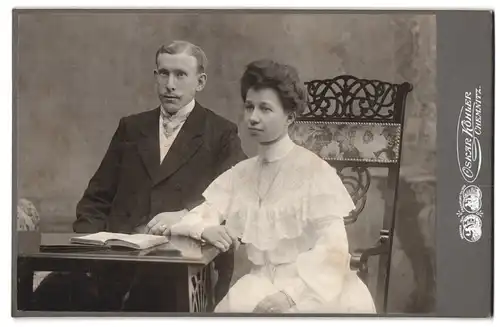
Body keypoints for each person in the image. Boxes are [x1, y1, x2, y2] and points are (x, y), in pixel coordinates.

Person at [32, 40, 246, 311]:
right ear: (155, 77)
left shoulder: (221, 133)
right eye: (164, 73)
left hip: (182, 264)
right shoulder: (131, 128)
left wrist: (185, 214)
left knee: (150, 300)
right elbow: (96, 198)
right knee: (50, 293)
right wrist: (91, 249)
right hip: (116, 260)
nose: (170, 84)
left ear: (200, 82)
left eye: (181, 75)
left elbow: (241, 195)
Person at [167, 59, 377, 314]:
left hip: (314, 288)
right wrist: (205, 229)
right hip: (259, 283)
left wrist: (290, 296)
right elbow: (197, 217)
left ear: (289, 117)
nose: (253, 118)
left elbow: (334, 249)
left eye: (265, 109)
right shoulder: (240, 175)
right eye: (249, 107)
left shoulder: (315, 172)